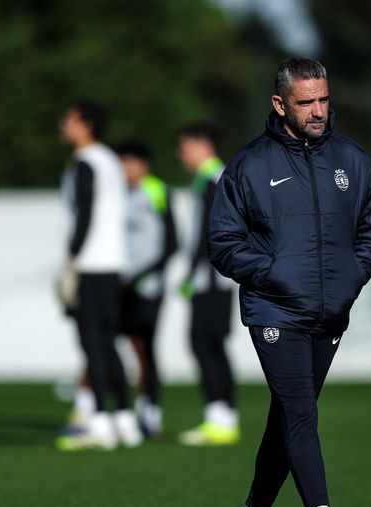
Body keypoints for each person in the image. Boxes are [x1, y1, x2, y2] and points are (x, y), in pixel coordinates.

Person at [208, 58, 371, 507]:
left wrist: (352, 276)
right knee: (301, 413)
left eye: (324, 100)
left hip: (331, 314)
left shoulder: (352, 160)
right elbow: (223, 243)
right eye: (306, 102)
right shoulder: (248, 165)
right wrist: (275, 276)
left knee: (286, 420)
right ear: (279, 103)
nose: (317, 111)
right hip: (274, 312)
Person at [55, 100, 142, 451]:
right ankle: (125, 420)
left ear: (86, 125)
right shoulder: (109, 159)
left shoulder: (86, 161)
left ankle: (101, 424)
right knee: (108, 342)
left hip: (92, 263)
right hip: (113, 263)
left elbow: (85, 212)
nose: (64, 124)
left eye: (70, 119)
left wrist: (72, 259)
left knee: (92, 342)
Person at [176, 123, 239, 446]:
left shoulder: (214, 180)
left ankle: (221, 417)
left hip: (213, 279)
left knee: (206, 343)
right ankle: (222, 416)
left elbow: (211, 234)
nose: (180, 154)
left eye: (185, 146)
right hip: (212, 278)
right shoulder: (211, 179)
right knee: (210, 344)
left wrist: (191, 274)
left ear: (203, 145)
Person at [116, 141, 178, 436]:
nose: (125, 169)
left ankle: (150, 410)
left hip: (149, 286)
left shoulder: (156, 190)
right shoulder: (116, 194)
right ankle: (109, 410)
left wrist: (143, 273)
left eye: (130, 162)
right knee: (108, 345)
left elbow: (171, 243)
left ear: (143, 164)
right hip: (119, 284)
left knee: (145, 348)